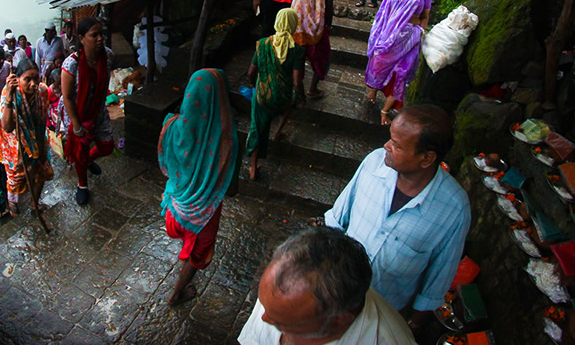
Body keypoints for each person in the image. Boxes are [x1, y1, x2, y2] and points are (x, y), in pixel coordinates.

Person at [324, 105, 470, 339]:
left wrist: (408, 328)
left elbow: (436, 283)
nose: (386, 147)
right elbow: (336, 220)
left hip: (383, 317)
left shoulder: (454, 209)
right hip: (334, 292)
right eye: (390, 139)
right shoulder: (373, 163)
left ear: (427, 158)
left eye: (397, 145)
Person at [238, 227, 416, 345]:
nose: (264, 318)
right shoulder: (278, 294)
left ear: (338, 321)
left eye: (281, 323)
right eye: (264, 303)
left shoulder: (386, 339)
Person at [158, 68, 240, 306]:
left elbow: (167, 164)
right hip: (202, 219)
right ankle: (176, 293)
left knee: (187, 242)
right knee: (196, 255)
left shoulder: (172, 126)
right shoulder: (228, 143)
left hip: (174, 211)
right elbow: (232, 189)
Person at [364, 0, 431, 123]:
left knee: (401, 73)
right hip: (388, 37)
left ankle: (385, 111)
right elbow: (384, 12)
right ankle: (373, 90)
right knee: (378, 65)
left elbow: (425, 16)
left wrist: (420, 31)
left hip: (409, 39)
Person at [245, 8, 305, 181]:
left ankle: (253, 167)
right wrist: (301, 97)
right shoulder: (298, 50)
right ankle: (278, 131)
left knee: (257, 127)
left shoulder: (263, 44)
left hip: (263, 96)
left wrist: (257, 85)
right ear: (293, 24)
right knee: (290, 103)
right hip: (283, 96)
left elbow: (250, 73)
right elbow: (296, 82)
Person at [61, 17, 116, 206]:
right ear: (82, 38)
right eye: (94, 35)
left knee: (107, 147)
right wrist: (76, 125)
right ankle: (82, 184)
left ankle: (87, 161)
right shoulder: (71, 64)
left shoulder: (107, 56)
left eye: (101, 34)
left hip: (98, 111)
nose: (100, 38)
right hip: (78, 115)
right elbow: (68, 97)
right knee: (79, 152)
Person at [0, 58, 54, 217]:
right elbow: (7, 126)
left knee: (42, 166)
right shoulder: (11, 93)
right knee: (17, 175)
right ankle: (13, 203)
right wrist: (8, 97)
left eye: (36, 78)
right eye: (27, 79)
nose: (33, 83)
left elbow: (42, 118)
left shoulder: (41, 91)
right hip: (14, 140)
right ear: (18, 79)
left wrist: (40, 144)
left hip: (36, 134)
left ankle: (34, 203)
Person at [291, 0, 334, 100]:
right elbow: (329, 4)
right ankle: (313, 88)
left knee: (298, 56)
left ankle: (297, 87)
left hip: (296, 24)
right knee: (323, 56)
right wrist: (328, 23)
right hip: (316, 24)